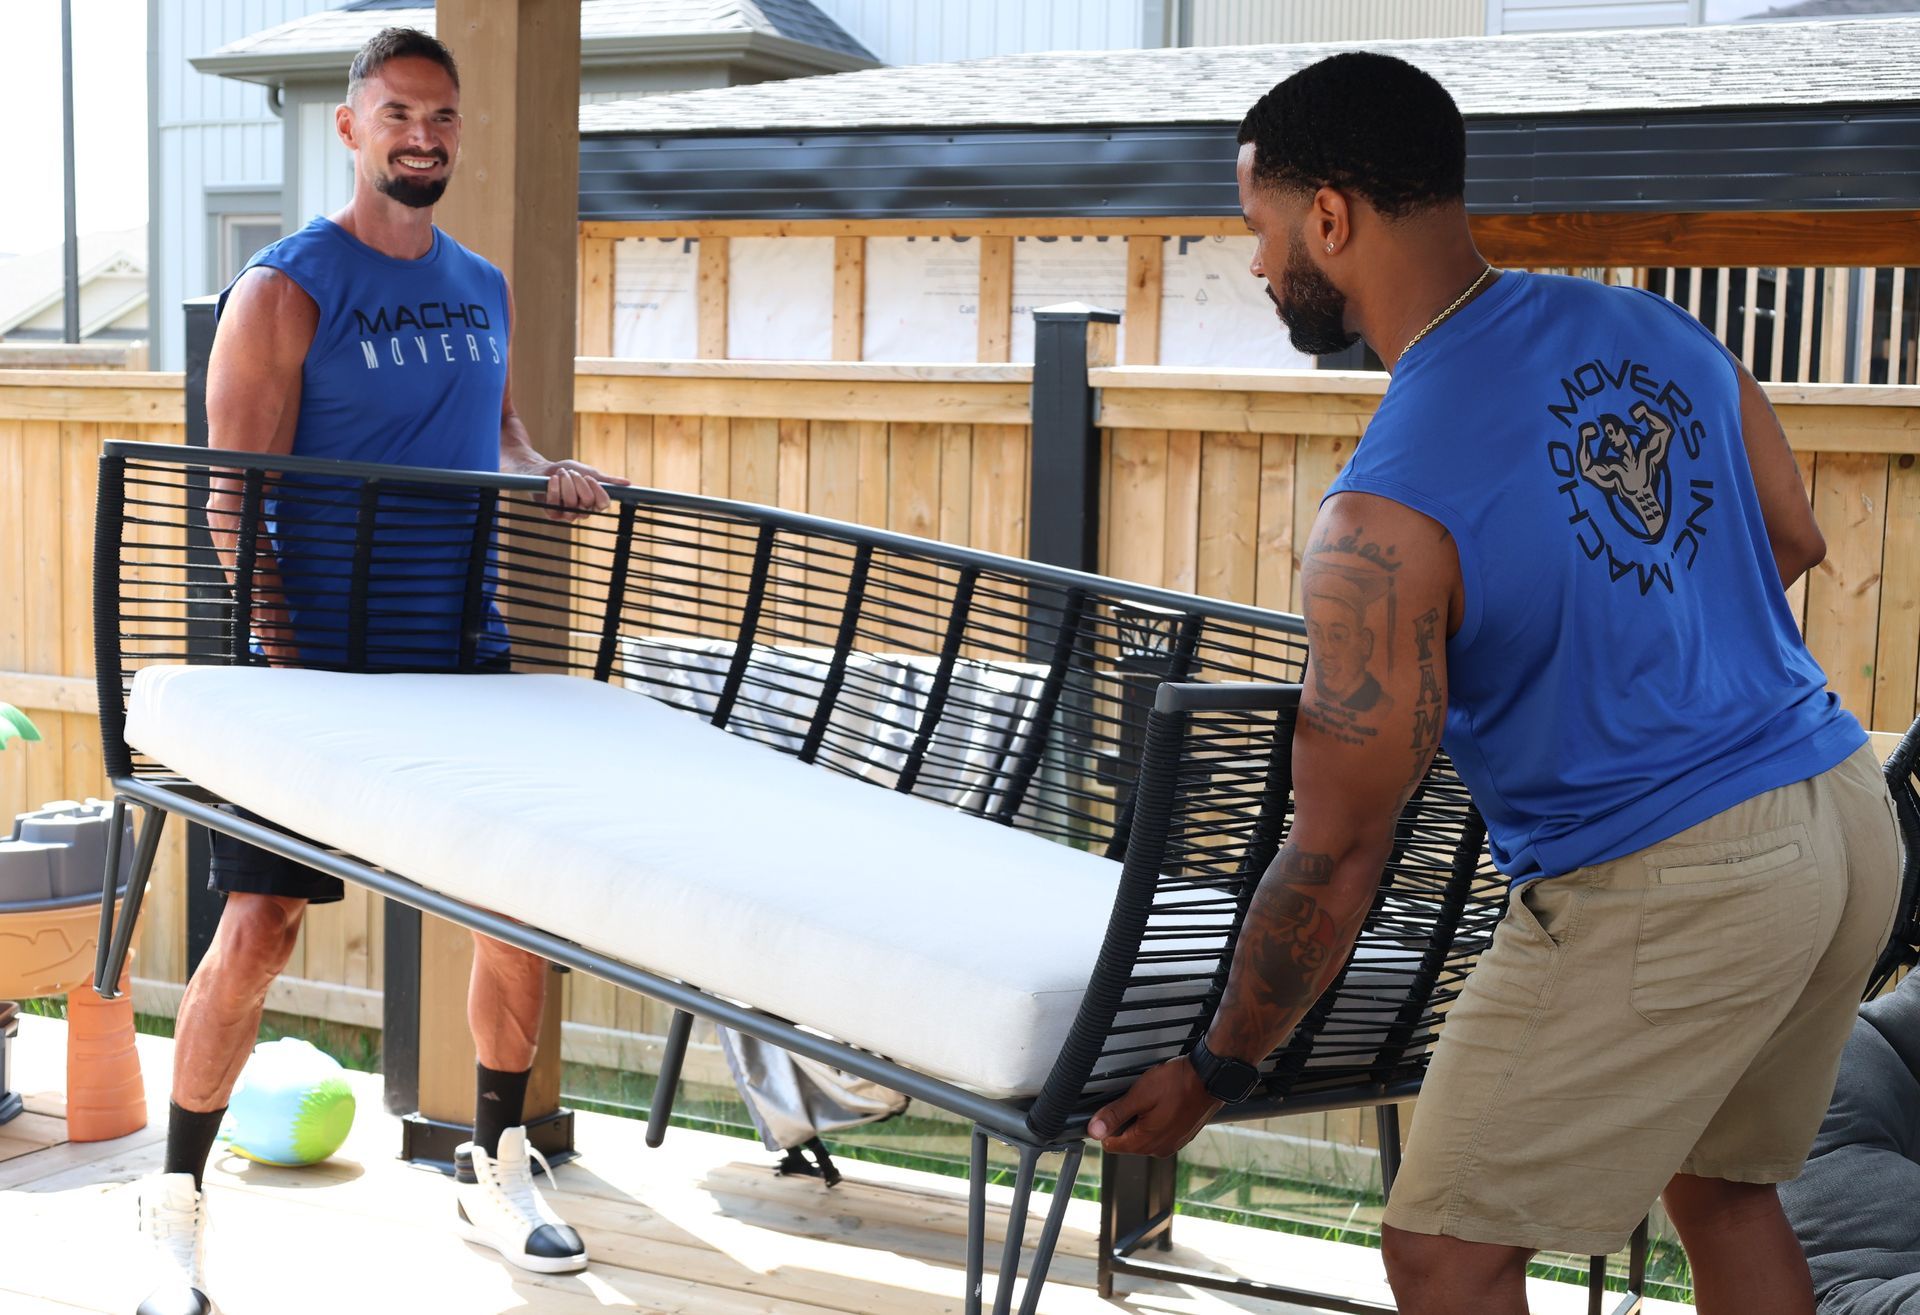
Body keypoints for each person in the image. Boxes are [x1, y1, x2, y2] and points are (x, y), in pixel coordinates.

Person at [1086, 51, 1900, 1315]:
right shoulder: (1649, 328)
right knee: (1724, 1188)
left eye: (1257, 229)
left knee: (1445, 1252)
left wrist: (1215, 1070)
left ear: (1331, 218)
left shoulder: (1383, 512)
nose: (1256, 266)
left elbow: (1340, 849)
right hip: (1845, 811)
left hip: (1683, 872)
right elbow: (1788, 537)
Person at [135, 28, 625, 1315]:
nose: (426, 135)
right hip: (319, 666)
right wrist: (285, 659)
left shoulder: (481, 284)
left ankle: (498, 1159)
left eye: (444, 117)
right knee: (259, 926)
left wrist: (546, 473)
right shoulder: (288, 287)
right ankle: (174, 1197)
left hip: (460, 652)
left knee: (512, 913)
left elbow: (500, 436)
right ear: (350, 129)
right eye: (399, 112)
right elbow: (231, 499)